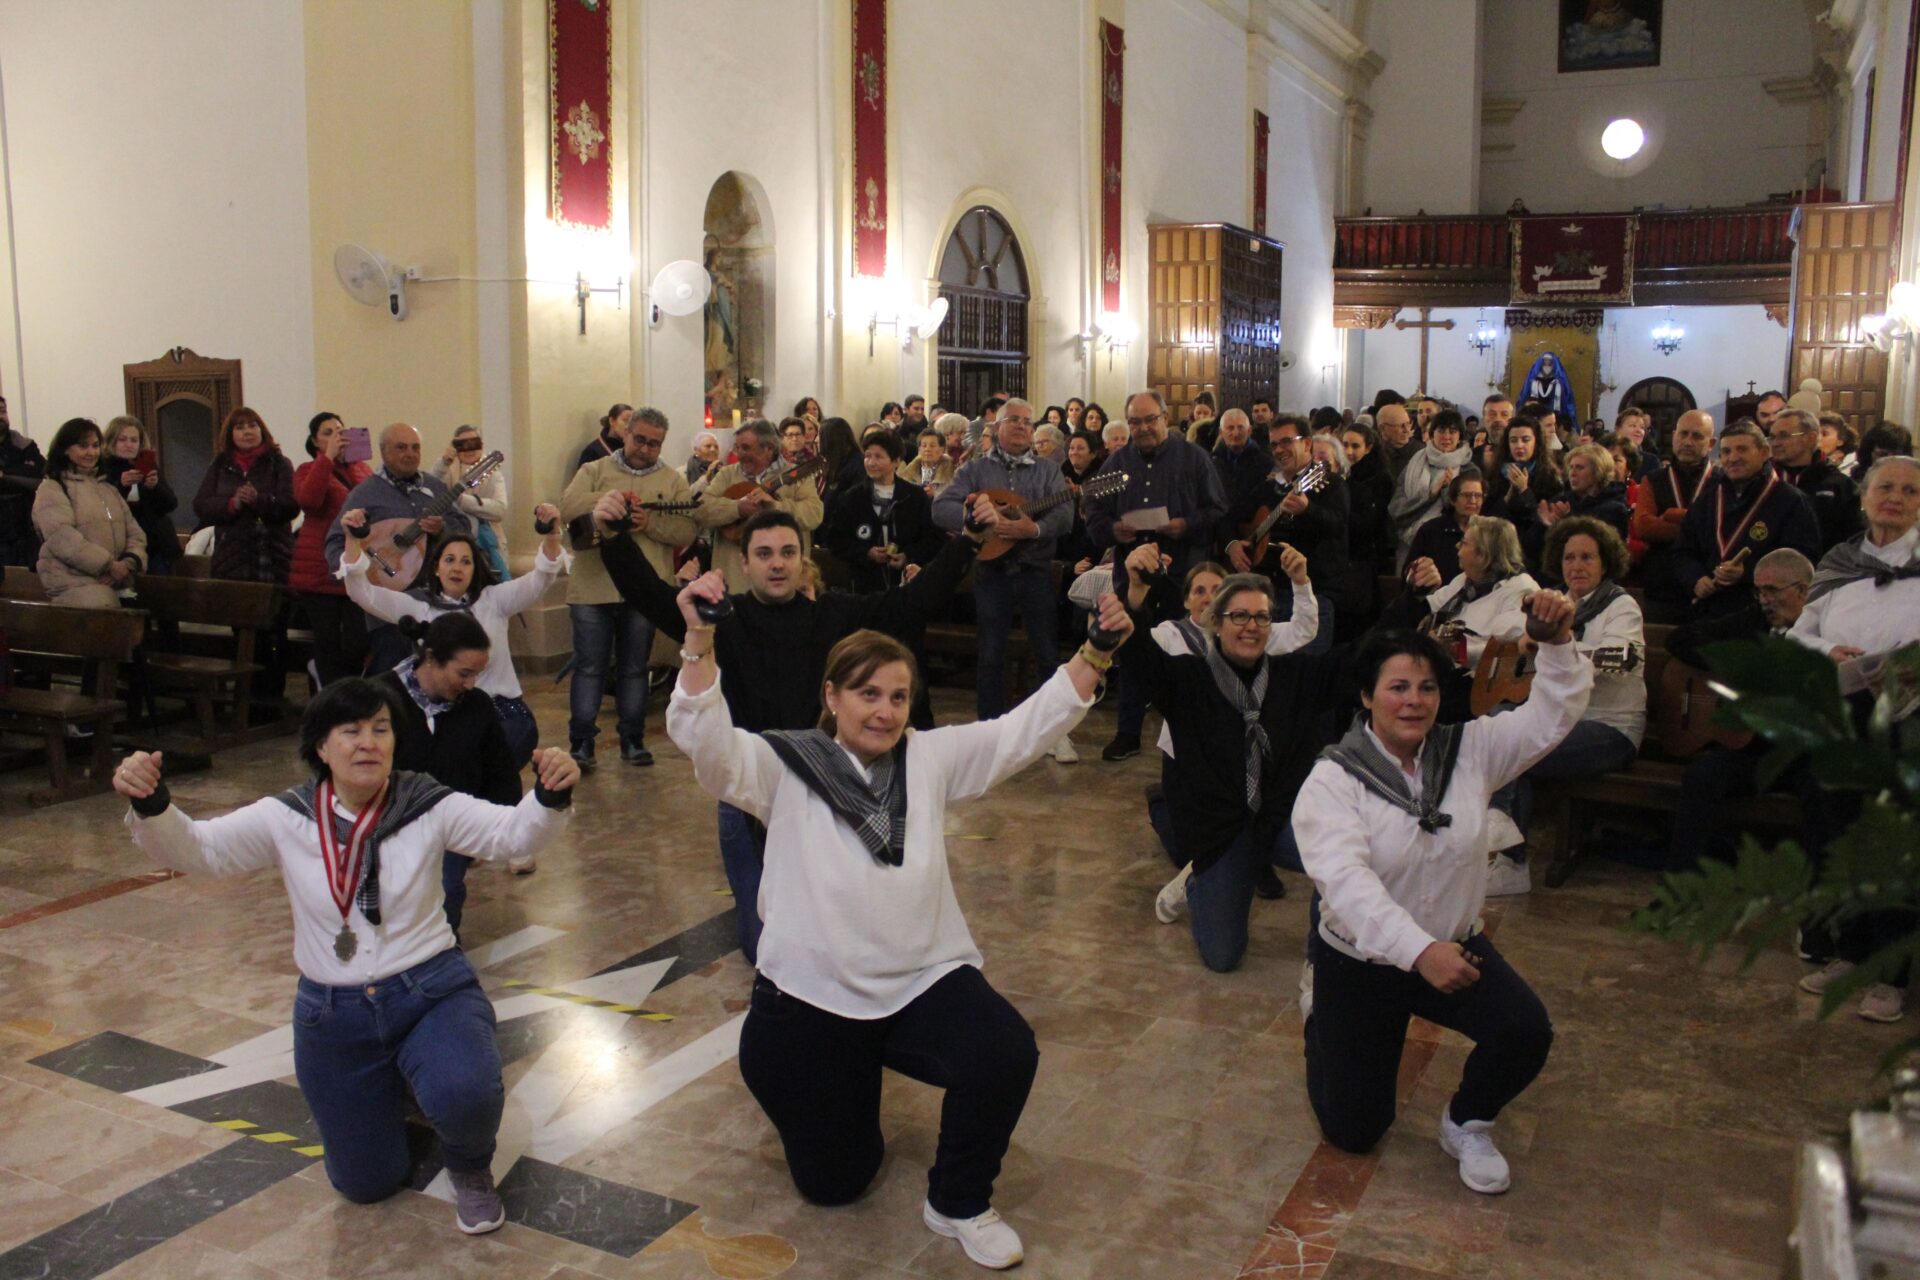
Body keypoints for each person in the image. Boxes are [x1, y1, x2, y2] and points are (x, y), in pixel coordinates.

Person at [667, 584, 1132, 1272]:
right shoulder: (783, 765)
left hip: (920, 979)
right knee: (837, 1183)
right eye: (868, 694)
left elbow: (1019, 732)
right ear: (832, 697)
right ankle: (802, 1077)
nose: (884, 711)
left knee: (1005, 1052)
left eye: (897, 696)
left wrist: (1095, 651)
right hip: (810, 1000)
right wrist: (698, 641)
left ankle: (959, 1202)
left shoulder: (928, 758)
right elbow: (709, 745)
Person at [114, 680, 578, 1232]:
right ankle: (398, 1085)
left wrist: (549, 795)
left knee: (466, 1092)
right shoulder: (287, 815)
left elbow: (511, 835)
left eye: (380, 730)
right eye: (350, 731)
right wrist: (152, 803)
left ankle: (469, 1163)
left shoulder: (426, 802)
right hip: (333, 1011)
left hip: (429, 989)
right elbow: (203, 850)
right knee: (366, 1185)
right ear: (321, 748)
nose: (368, 743)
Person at [595, 494, 1001, 962]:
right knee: (760, 940)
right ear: (744, 564)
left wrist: (968, 542)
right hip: (748, 796)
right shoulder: (726, 618)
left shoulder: (833, 616)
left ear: (802, 560)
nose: (777, 565)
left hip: (822, 793)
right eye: (764, 554)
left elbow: (909, 603)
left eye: (788, 553)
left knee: (828, 928)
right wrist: (612, 537)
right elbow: (650, 594)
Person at [1295, 598, 1587, 1193]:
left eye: (1427, 687)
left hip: (1454, 949)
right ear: (1367, 697)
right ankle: (1320, 1018)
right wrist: (1418, 951)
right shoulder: (1333, 780)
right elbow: (1349, 886)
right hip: (1361, 963)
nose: (1414, 700)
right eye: (1397, 686)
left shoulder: (1468, 752)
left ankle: (1466, 1123)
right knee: (1353, 1131)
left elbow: (1550, 718)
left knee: (1525, 1030)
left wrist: (1555, 643)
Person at [1119, 546, 1346, 972]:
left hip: (1276, 819)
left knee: (1348, 856)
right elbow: (1138, 656)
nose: (1251, 626)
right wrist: (1135, 591)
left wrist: (1414, 601)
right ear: (1217, 624)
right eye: (1239, 617)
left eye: (1260, 617)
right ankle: (1194, 867)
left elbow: (1354, 664)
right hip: (1220, 829)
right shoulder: (1191, 678)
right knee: (1223, 956)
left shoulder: (1289, 676)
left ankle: (1327, 955)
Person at [1787, 456, 1920, 1022]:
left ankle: (1891, 976)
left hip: (1906, 721)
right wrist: (1828, 651)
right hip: (1839, 715)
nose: (1895, 497)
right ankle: (1849, 951)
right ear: (1864, 496)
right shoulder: (1840, 562)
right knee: (1837, 835)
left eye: (1910, 491)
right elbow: (1799, 636)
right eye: (1885, 487)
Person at [340, 504, 567, 773]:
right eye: (449, 560)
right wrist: (353, 540)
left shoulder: (494, 601)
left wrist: (551, 534)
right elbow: (362, 592)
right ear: (436, 568)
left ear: (474, 570)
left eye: (465, 561)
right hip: (445, 715)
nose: (457, 567)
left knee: (490, 773)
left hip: (503, 714)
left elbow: (541, 578)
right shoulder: (420, 609)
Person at [1489, 517, 1646, 891]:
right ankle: (1494, 847)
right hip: (1561, 722)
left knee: (1517, 749)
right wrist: (1528, 637)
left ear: (1605, 562)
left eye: (1587, 558)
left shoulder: (1621, 607)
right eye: (1569, 558)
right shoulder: (1556, 602)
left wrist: (1554, 643)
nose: (1576, 566)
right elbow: (1504, 626)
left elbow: (1618, 659)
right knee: (1498, 725)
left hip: (1610, 729)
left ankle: (1510, 862)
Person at [933, 399, 1080, 751]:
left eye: (1028, 423)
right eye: (1013, 420)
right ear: (996, 427)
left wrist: (1034, 530)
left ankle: (1053, 733)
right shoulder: (976, 470)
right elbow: (941, 508)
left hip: (1036, 571)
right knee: (991, 652)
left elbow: (1065, 515)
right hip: (992, 570)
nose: (1022, 427)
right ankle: (989, 733)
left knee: (1046, 652)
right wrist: (977, 521)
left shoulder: (1047, 471)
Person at [558, 405, 696, 768]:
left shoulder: (671, 480)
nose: (645, 449)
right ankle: (582, 743)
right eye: (640, 440)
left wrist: (649, 523)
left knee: (636, 668)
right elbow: (568, 505)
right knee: (590, 667)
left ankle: (633, 740)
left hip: (645, 596)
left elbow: (687, 530)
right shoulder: (595, 470)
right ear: (625, 435)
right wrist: (609, 502)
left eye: (654, 444)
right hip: (592, 588)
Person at [1662, 547, 1812, 871]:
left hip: (1801, 755)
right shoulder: (1755, 619)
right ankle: (1678, 885)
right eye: (1759, 591)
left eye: (1771, 590)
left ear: (1802, 590)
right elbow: (1680, 639)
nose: (1764, 600)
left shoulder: (1826, 628)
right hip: (1752, 751)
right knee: (1701, 775)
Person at [380, 612, 521, 934]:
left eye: (477, 675)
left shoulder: (478, 706)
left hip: (449, 827)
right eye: (463, 673)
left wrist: (493, 829)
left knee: (446, 892)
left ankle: (443, 956)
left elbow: (500, 771)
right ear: (431, 659)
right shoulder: (380, 701)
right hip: (389, 829)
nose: (470, 684)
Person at [326, 423, 473, 670]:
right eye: (401, 447)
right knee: (393, 674)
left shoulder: (435, 488)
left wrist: (442, 530)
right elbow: (335, 541)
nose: (410, 453)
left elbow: (464, 530)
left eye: (415, 447)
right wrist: (363, 572)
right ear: (384, 451)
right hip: (389, 608)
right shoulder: (366, 494)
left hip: (435, 600)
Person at [193, 407, 299, 714]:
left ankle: (271, 702)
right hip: (235, 559)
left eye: (253, 425)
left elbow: (291, 504)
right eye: (240, 427)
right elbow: (201, 505)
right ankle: (247, 703)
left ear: (262, 431)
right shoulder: (220, 465)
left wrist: (261, 501)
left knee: (274, 633)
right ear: (231, 435)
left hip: (272, 557)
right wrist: (233, 503)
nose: (247, 431)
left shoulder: (279, 463)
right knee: (243, 633)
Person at [1673, 420, 1822, 621]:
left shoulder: (1791, 500)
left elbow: (1803, 559)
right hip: (1710, 608)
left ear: (1764, 452)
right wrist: (1696, 579)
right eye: (1725, 451)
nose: (1733, 458)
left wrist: (1749, 572)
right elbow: (1683, 550)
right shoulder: (1708, 499)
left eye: (1742, 449)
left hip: (1763, 613)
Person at [1224, 414, 1345, 655]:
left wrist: (1308, 509)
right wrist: (1232, 544)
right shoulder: (1268, 487)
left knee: (1308, 674)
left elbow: (1339, 526)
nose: (1280, 450)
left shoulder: (1330, 483)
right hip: (1270, 595)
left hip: (1313, 596)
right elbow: (1229, 518)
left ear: (1307, 444)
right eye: (1275, 444)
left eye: (1287, 441)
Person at [1392, 516, 1539, 676]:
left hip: (1477, 685)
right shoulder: (1465, 580)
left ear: (1483, 554)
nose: (1456, 546)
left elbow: (1510, 652)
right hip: (1439, 670)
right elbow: (1425, 607)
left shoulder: (1521, 590)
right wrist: (1417, 591)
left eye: (1463, 542)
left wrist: (1457, 651)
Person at [293, 413, 374, 686]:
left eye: (340, 430)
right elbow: (309, 501)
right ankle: (330, 698)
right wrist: (326, 459)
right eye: (328, 432)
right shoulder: (308, 469)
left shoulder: (361, 469)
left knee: (357, 641)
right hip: (320, 568)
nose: (337, 436)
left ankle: (343, 688)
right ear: (316, 440)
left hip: (354, 565)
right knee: (327, 641)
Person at [699, 419, 825, 594]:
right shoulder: (727, 475)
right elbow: (701, 509)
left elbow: (814, 515)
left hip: (782, 584)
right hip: (735, 585)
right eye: (738, 447)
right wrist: (737, 508)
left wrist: (775, 506)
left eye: (746, 448)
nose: (740, 454)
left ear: (769, 448)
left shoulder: (796, 476)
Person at [33, 417, 147, 607]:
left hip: (117, 578)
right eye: (83, 446)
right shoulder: (53, 488)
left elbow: (135, 534)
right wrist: (108, 566)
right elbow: (63, 539)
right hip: (73, 581)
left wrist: (127, 564)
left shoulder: (107, 489)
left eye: (95, 446)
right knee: (104, 612)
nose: (91, 452)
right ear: (65, 449)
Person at [824, 431, 940, 594]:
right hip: (863, 587)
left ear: (896, 461)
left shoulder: (913, 497)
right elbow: (836, 540)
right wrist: (866, 553)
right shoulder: (852, 498)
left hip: (906, 586)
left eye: (878, 457)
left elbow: (931, 538)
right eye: (868, 456)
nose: (871, 462)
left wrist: (907, 555)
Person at [1631, 409, 1714, 609]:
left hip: (1707, 582)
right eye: (1683, 434)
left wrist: (1670, 516)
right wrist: (1698, 525)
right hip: (1661, 582)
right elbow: (1643, 527)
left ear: (1711, 444)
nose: (1687, 442)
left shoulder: (1721, 481)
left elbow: (1723, 528)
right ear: (1674, 435)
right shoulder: (1653, 479)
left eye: (1697, 436)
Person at [1769, 407, 1861, 554]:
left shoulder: (1840, 485)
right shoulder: (1764, 480)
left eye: (1784, 436)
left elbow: (1852, 538)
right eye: (1772, 437)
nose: (1775, 443)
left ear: (1810, 438)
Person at [1388, 410, 1473, 569]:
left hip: (1452, 544)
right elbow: (1396, 508)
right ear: (1432, 434)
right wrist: (1430, 494)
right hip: (1411, 541)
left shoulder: (1468, 469)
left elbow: (1472, 510)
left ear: (1460, 435)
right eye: (1440, 431)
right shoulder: (1415, 462)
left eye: (1452, 431)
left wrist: (1448, 492)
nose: (1446, 437)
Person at [1527, 442, 1630, 571]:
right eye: (1571, 467)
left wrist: (1564, 524)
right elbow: (1530, 548)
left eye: (1580, 468)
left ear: (1598, 471)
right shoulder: (1560, 500)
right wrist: (1543, 525)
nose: (1572, 473)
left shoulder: (1614, 509)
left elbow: (1597, 552)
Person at [102, 416, 179, 575]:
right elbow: (103, 508)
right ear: (112, 442)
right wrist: (121, 486)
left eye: (134, 440)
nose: (129, 445)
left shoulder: (147, 465)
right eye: (122, 440)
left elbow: (171, 504)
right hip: (122, 547)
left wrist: (154, 487)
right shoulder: (104, 468)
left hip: (156, 545)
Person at [435, 425, 509, 580]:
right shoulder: (448, 468)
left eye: (474, 443)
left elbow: (500, 509)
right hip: (454, 542)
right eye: (462, 445)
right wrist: (443, 464)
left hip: (488, 543)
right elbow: (431, 491)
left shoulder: (492, 471)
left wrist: (463, 501)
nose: (469, 449)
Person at [1341, 421, 1396, 604]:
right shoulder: (1341, 472)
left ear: (1368, 448)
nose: (1349, 452)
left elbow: (1373, 520)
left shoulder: (1379, 477)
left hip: (1366, 553)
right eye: (1345, 445)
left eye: (1355, 446)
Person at [1402, 472, 1485, 587]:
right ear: (1452, 499)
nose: (1473, 500)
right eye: (1466, 495)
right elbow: (1409, 574)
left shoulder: (1488, 532)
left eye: (1478, 495)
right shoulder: (1431, 530)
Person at [0, 394, 46, 569]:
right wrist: (18, 476)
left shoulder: (25, 445)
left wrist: (4, 475)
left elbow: (39, 477)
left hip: (25, 531)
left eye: (3, 411)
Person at [1210, 409, 1271, 519]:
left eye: (1240, 427)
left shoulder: (1265, 463)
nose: (1236, 433)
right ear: (1220, 432)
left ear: (1249, 431)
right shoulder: (1210, 463)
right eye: (1230, 428)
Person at [577, 403, 634, 469]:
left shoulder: (632, 448)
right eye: (626, 420)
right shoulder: (592, 452)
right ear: (612, 421)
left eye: (632, 422)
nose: (629, 426)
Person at [901, 427, 955, 496]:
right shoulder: (907, 474)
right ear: (919, 450)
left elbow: (955, 499)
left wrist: (935, 494)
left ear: (942, 450)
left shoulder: (953, 474)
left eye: (932, 446)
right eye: (924, 446)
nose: (927, 449)